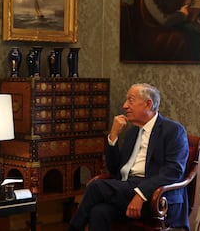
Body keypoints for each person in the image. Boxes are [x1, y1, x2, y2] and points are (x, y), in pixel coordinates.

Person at [69, 83, 189, 230]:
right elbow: (115, 169)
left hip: (156, 196)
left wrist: (141, 194)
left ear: (148, 104)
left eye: (130, 100)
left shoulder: (173, 130)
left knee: (96, 186)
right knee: (98, 212)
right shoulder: (132, 132)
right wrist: (113, 136)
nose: (125, 106)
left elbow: (174, 170)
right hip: (126, 188)